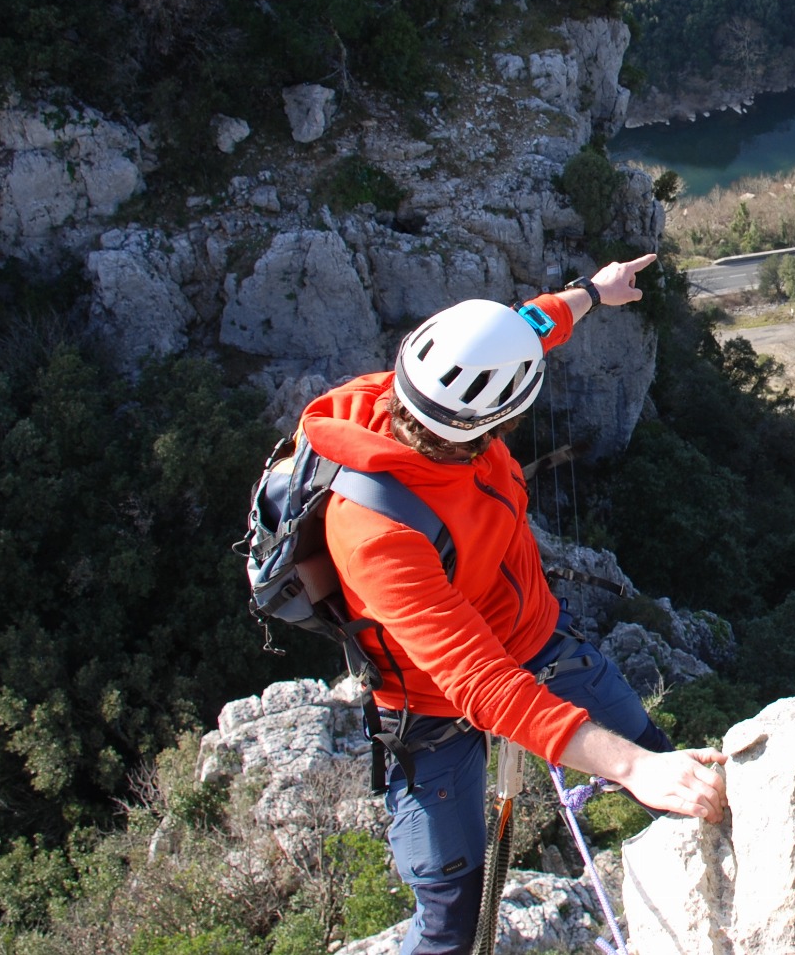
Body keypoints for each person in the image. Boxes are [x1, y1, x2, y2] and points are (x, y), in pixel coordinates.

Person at [297, 253, 727, 955]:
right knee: (453, 914)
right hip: (432, 703)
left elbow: (523, 330)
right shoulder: (374, 528)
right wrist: (627, 768)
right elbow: (478, 682)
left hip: (532, 637)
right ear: (496, 424)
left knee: (662, 762)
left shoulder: (423, 394)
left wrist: (593, 293)